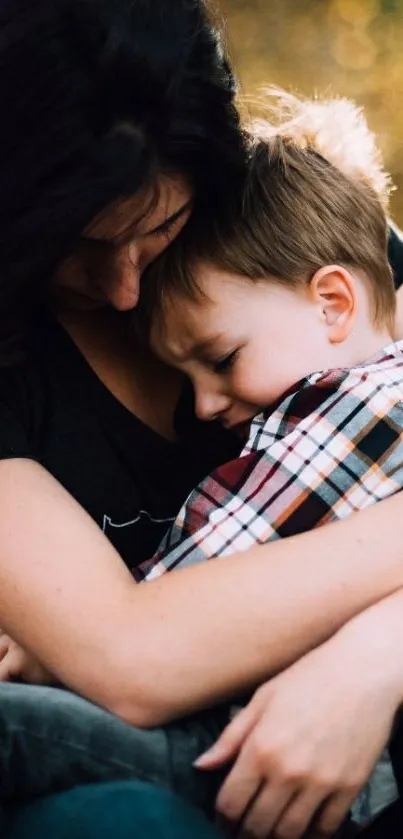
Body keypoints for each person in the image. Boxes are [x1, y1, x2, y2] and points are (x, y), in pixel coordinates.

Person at [1, 3, 403, 839]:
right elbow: (131, 656)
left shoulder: (275, 235)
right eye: (72, 246)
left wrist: (373, 659)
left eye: (155, 230)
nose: (122, 290)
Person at [134, 92, 403, 832]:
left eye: (220, 360)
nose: (204, 405)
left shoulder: (359, 405)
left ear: (332, 304)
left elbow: (204, 580)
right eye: (185, 381)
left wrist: (61, 641)